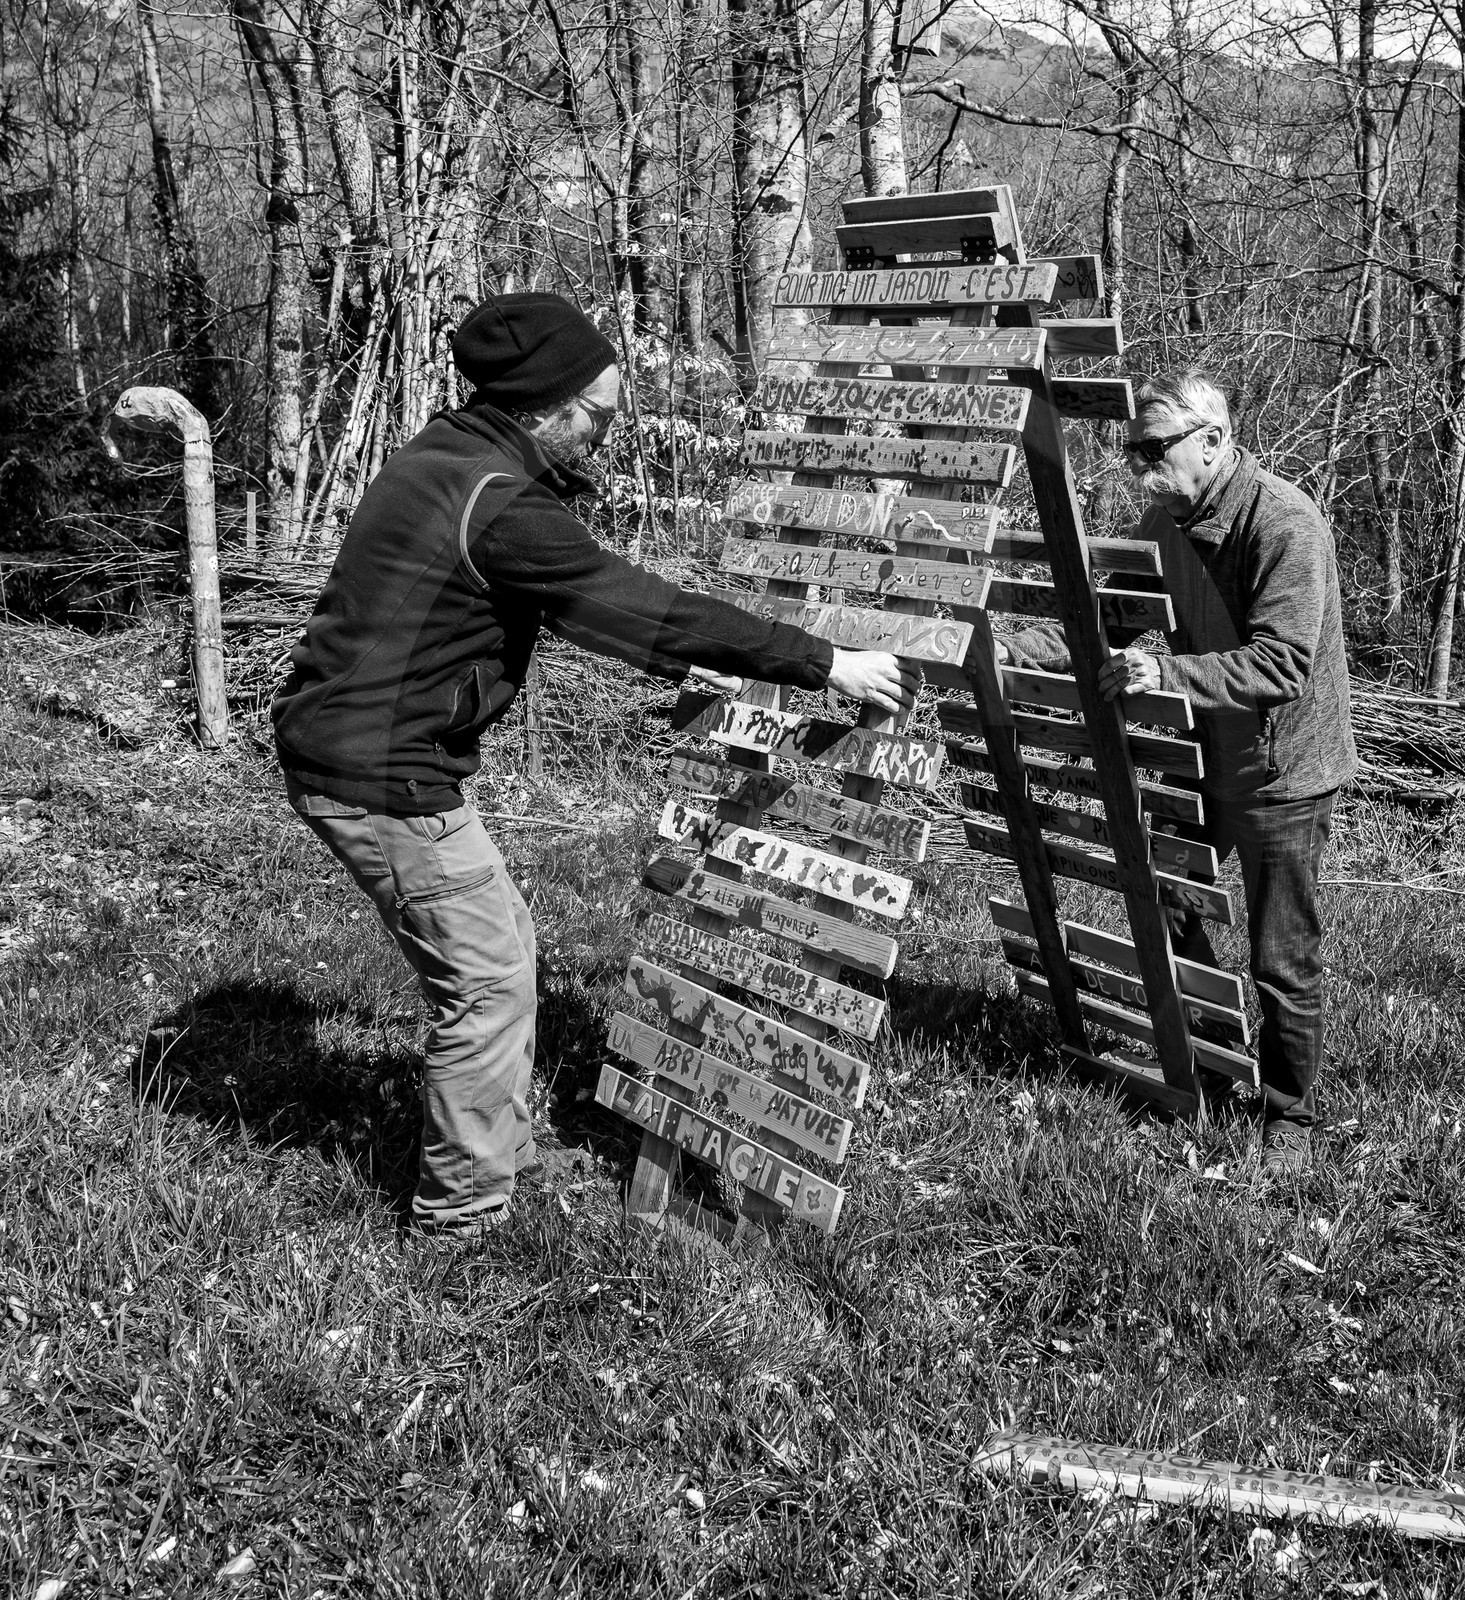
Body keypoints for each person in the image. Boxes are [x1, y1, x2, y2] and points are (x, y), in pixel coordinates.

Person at [272, 292, 915, 1236]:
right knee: (488, 981)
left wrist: (674, 650)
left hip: (356, 747)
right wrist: (824, 659)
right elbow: (632, 601)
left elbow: (581, 611)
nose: (606, 436)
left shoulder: (446, 459)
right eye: (600, 416)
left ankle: (499, 1145)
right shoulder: (499, 503)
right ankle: (464, 1215)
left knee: (503, 954)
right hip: (381, 773)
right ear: (545, 404)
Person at [1001, 369, 1356, 1176]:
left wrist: (1166, 677)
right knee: (1165, 891)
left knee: (1281, 954)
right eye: (1132, 452)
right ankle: (1219, 1054)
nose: (1138, 467)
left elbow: (1282, 666)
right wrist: (1008, 651)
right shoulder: (1164, 524)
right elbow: (1105, 627)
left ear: (1214, 442)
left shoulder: (1285, 523)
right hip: (1202, 757)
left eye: (1151, 450)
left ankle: (1291, 1120)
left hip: (1283, 772)